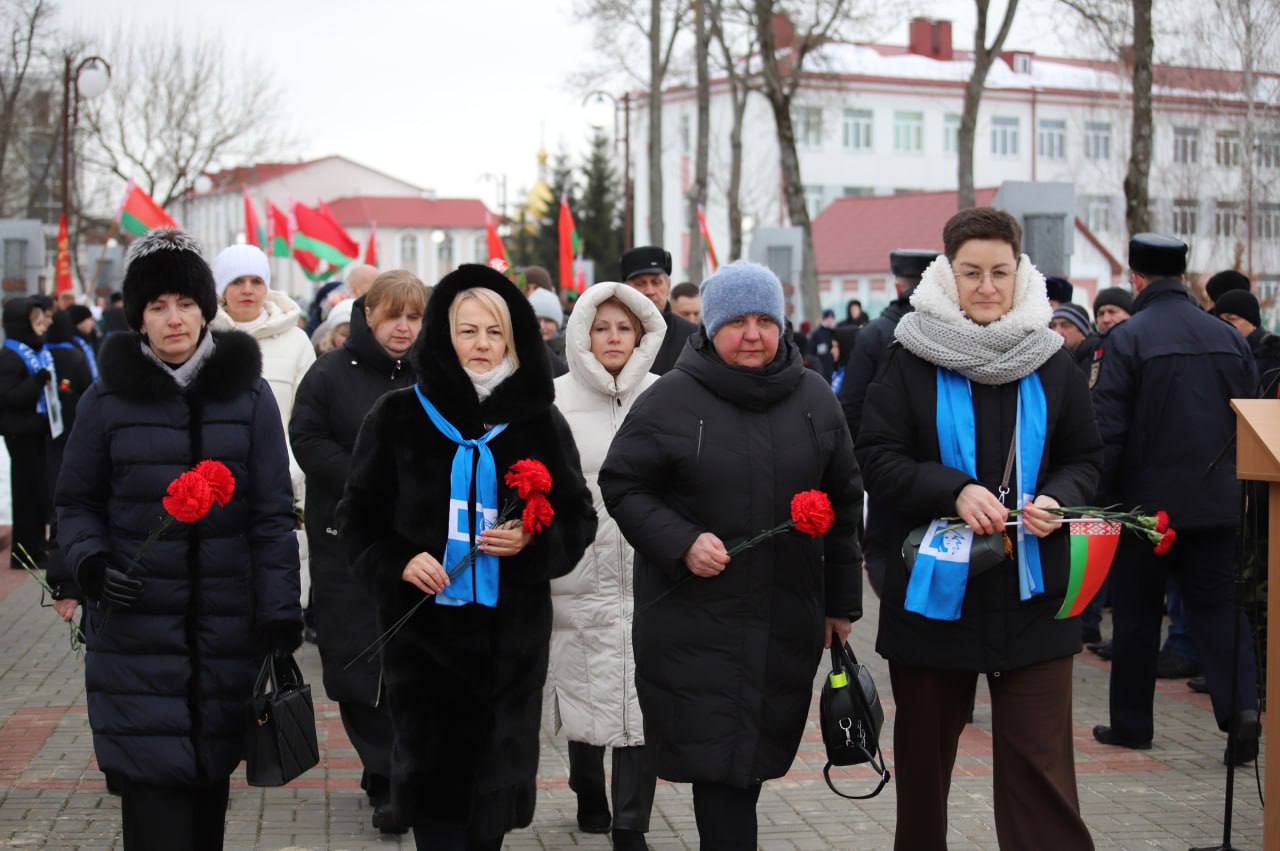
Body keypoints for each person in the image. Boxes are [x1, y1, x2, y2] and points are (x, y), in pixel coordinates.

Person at [857, 207, 1101, 851]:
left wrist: (1060, 497)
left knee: (1042, 770)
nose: (987, 287)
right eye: (971, 273)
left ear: (1020, 274)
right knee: (923, 766)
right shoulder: (909, 356)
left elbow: (1086, 458)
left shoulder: (1051, 359)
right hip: (934, 595)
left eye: (999, 272)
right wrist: (954, 489)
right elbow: (876, 457)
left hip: (1034, 597)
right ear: (949, 274)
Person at [599, 260, 862, 850]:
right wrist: (681, 541)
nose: (752, 335)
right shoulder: (671, 397)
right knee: (722, 769)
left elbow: (844, 505)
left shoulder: (815, 398)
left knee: (751, 762)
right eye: (737, 322)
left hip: (785, 617)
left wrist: (841, 604)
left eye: (764, 321)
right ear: (711, 327)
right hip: (695, 620)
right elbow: (624, 484)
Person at [55, 228, 301, 849]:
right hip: (136, 633)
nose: (174, 319)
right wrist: (90, 565)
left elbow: (272, 515)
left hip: (224, 633)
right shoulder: (106, 399)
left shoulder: (248, 395)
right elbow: (76, 502)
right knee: (153, 805)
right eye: (158, 306)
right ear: (138, 317)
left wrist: (278, 614)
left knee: (207, 798)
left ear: (205, 309)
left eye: (186, 303)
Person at [338, 264, 596, 850]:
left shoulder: (538, 421)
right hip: (425, 644)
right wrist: (400, 561)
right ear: (443, 336)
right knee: (437, 812)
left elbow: (579, 518)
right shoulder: (398, 415)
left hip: (509, 648)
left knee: (488, 819)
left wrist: (532, 540)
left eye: (494, 332)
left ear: (514, 340)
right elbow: (356, 520)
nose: (482, 344)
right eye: (468, 331)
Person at [1091, 234, 1261, 766]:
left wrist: (1100, 498)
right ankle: (1243, 712)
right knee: (1219, 611)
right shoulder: (1227, 336)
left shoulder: (1127, 338)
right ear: (1183, 277)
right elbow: (1252, 416)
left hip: (1145, 508)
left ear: (1136, 278)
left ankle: (1132, 724)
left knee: (1137, 615)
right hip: (1217, 501)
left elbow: (1108, 427)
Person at [290, 270, 426, 836]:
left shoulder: (432, 375)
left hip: (417, 545)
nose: (403, 328)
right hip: (346, 541)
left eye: (414, 317)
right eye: (393, 316)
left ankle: (396, 777)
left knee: (411, 662)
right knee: (356, 659)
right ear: (368, 316)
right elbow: (307, 439)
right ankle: (383, 766)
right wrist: (367, 477)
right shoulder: (328, 373)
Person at [548, 282, 666, 851]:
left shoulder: (666, 395)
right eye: (601, 328)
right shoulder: (554, 400)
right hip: (579, 572)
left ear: (642, 335)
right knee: (584, 686)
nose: (613, 338)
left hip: (650, 569)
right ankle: (588, 790)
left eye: (625, 328)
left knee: (641, 696)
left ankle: (631, 823)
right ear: (583, 334)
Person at [210, 243, 316, 610]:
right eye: (237, 281)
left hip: (282, 480)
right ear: (221, 289)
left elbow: (307, 415)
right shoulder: (203, 337)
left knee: (277, 586)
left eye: (256, 281)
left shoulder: (296, 340)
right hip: (218, 479)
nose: (247, 290)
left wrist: (293, 469)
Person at [840, 248, 934, 596]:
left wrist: (863, 465)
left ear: (897, 286)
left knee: (886, 552)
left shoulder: (876, 333)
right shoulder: (951, 330)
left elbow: (851, 406)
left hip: (886, 467)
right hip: (942, 469)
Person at [0, 297, 56, 569]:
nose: (42, 327)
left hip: (32, 432)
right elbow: (10, 397)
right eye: (36, 322)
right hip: (20, 435)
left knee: (36, 493)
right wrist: (38, 380)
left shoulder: (30, 352)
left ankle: (36, 547)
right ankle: (24, 553)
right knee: (26, 496)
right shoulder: (10, 357)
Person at [621, 246, 696, 375]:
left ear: (668, 285)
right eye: (640, 283)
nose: (650, 291)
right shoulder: (613, 336)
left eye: (656, 282)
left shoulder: (692, 337)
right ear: (625, 289)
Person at [1212, 289, 1280, 396]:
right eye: (1220, 320)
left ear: (1252, 322)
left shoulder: (1273, 352)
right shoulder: (1217, 350)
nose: (1224, 325)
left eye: (1232, 319)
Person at [1049, 302, 1097, 371]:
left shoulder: (1096, 358)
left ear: (1082, 332)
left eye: (1065, 325)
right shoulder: (1057, 359)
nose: (1057, 332)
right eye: (1053, 326)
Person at [810, 308, 837, 380]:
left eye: (832, 318)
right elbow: (812, 352)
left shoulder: (836, 332)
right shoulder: (817, 334)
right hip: (822, 368)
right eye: (828, 318)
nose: (830, 320)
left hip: (835, 368)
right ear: (824, 319)